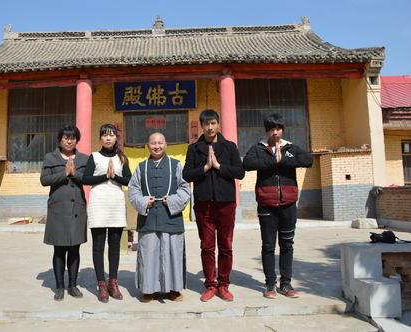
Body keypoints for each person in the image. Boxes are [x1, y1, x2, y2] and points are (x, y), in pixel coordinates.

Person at [242, 113, 313, 299]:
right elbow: (247, 164)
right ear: (267, 131)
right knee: (268, 245)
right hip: (266, 204)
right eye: (272, 129)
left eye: (279, 128)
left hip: (288, 204)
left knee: (287, 244)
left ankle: (286, 283)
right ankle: (270, 284)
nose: (276, 132)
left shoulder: (290, 148)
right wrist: (272, 160)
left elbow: (308, 160)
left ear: (282, 130)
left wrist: (285, 160)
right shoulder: (259, 148)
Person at [182, 109, 245, 302]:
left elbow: (240, 172)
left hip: (226, 204)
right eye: (206, 124)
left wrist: (219, 167)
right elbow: (186, 175)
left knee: (226, 245)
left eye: (213, 123)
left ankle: (223, 284)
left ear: (218, 124)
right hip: (203, 205)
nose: (210, 127)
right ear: (202, 126)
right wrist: (205, 168)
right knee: (207, 246)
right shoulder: (194, 148)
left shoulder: (229, 147)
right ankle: (210, 284)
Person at [129, 132, 190, 303]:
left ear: (166, 144)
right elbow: (133, 190)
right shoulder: (141, 167)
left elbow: (185, 189)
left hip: (171, 216)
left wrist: (171, 200)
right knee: (149, 254)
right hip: (148, 218)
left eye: (160, 143)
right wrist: (142, 201)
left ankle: (173, 289)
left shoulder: (176, 165)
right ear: (148, 146)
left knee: (172, 254)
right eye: (153, 143)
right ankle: (150, 290)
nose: (157, 146)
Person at [82, 124, 131, 303]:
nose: (108, 138)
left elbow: (129, 180)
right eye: (105, 135)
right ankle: (101, 284)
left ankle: (113, 282)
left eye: (112, 135)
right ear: (100, 138)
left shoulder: (122, 158)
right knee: (98, 245)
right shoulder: (93, 157)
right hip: (99, 203)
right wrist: (105, 176)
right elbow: (85, 179)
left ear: (116, 138)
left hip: (116, 203)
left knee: (115, 245)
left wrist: (114, 177)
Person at [40, 125, 88, 301]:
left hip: (77, 209)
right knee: (59, 249)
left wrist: (74, 174)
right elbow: (44, 180)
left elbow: (87, 179)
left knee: (75, 249)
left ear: (77, 140)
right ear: (60, 139)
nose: (69, 140)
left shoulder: (84, 158)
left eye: (73, 137)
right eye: (66, 137)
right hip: (58, 210)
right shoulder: (50, 157)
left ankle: (73, 285)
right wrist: (64, 172)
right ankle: (59, 286)